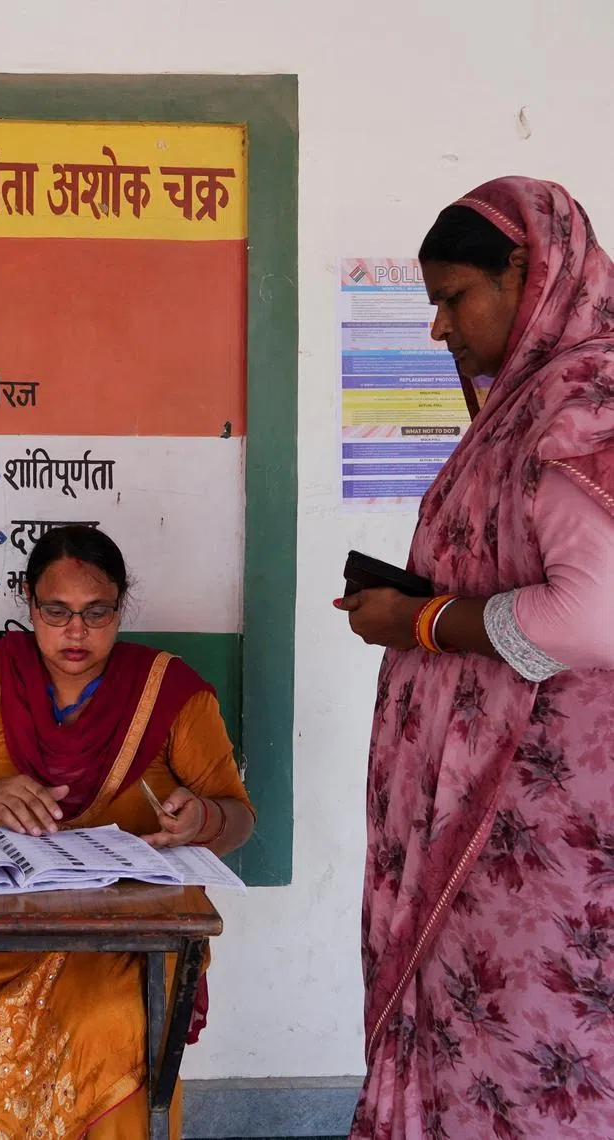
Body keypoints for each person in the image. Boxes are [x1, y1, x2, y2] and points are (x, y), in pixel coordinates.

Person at [336, 177, 614, 1139]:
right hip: (484, 832)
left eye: (455, 299)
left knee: (530, 1066)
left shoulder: (582, 401)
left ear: (529, 276)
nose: (440, 329)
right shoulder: (528, 404)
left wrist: (422, 623)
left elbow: (589, 618)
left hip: (531, 834)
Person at [0, 524, 255, 1139]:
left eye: (97, 613)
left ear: (122, 606)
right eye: (56, 611)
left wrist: (202, 819)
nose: (75, 632)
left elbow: (240, 815)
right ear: (28, 602)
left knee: (106, 1030)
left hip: (119, 935)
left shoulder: (168, 692)